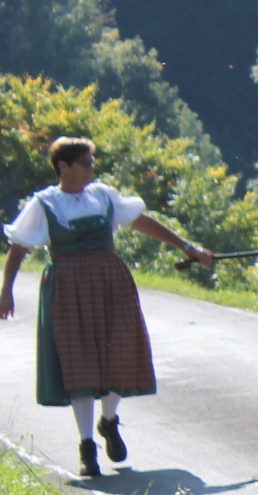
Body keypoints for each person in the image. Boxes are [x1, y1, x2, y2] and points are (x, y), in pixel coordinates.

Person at [0, 136, 213, 477]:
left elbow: (141, 222)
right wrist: (6, 291)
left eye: (92, 162)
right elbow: (19, 248)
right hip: (67, 288)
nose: (92, 168)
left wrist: (187, 246)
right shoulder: (44, 203)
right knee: (79, 362)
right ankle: (87, 447)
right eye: (85, 163)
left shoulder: (102, 196)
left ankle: (109, 420)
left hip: (110, 281)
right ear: (63, 166)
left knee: (121, 352)